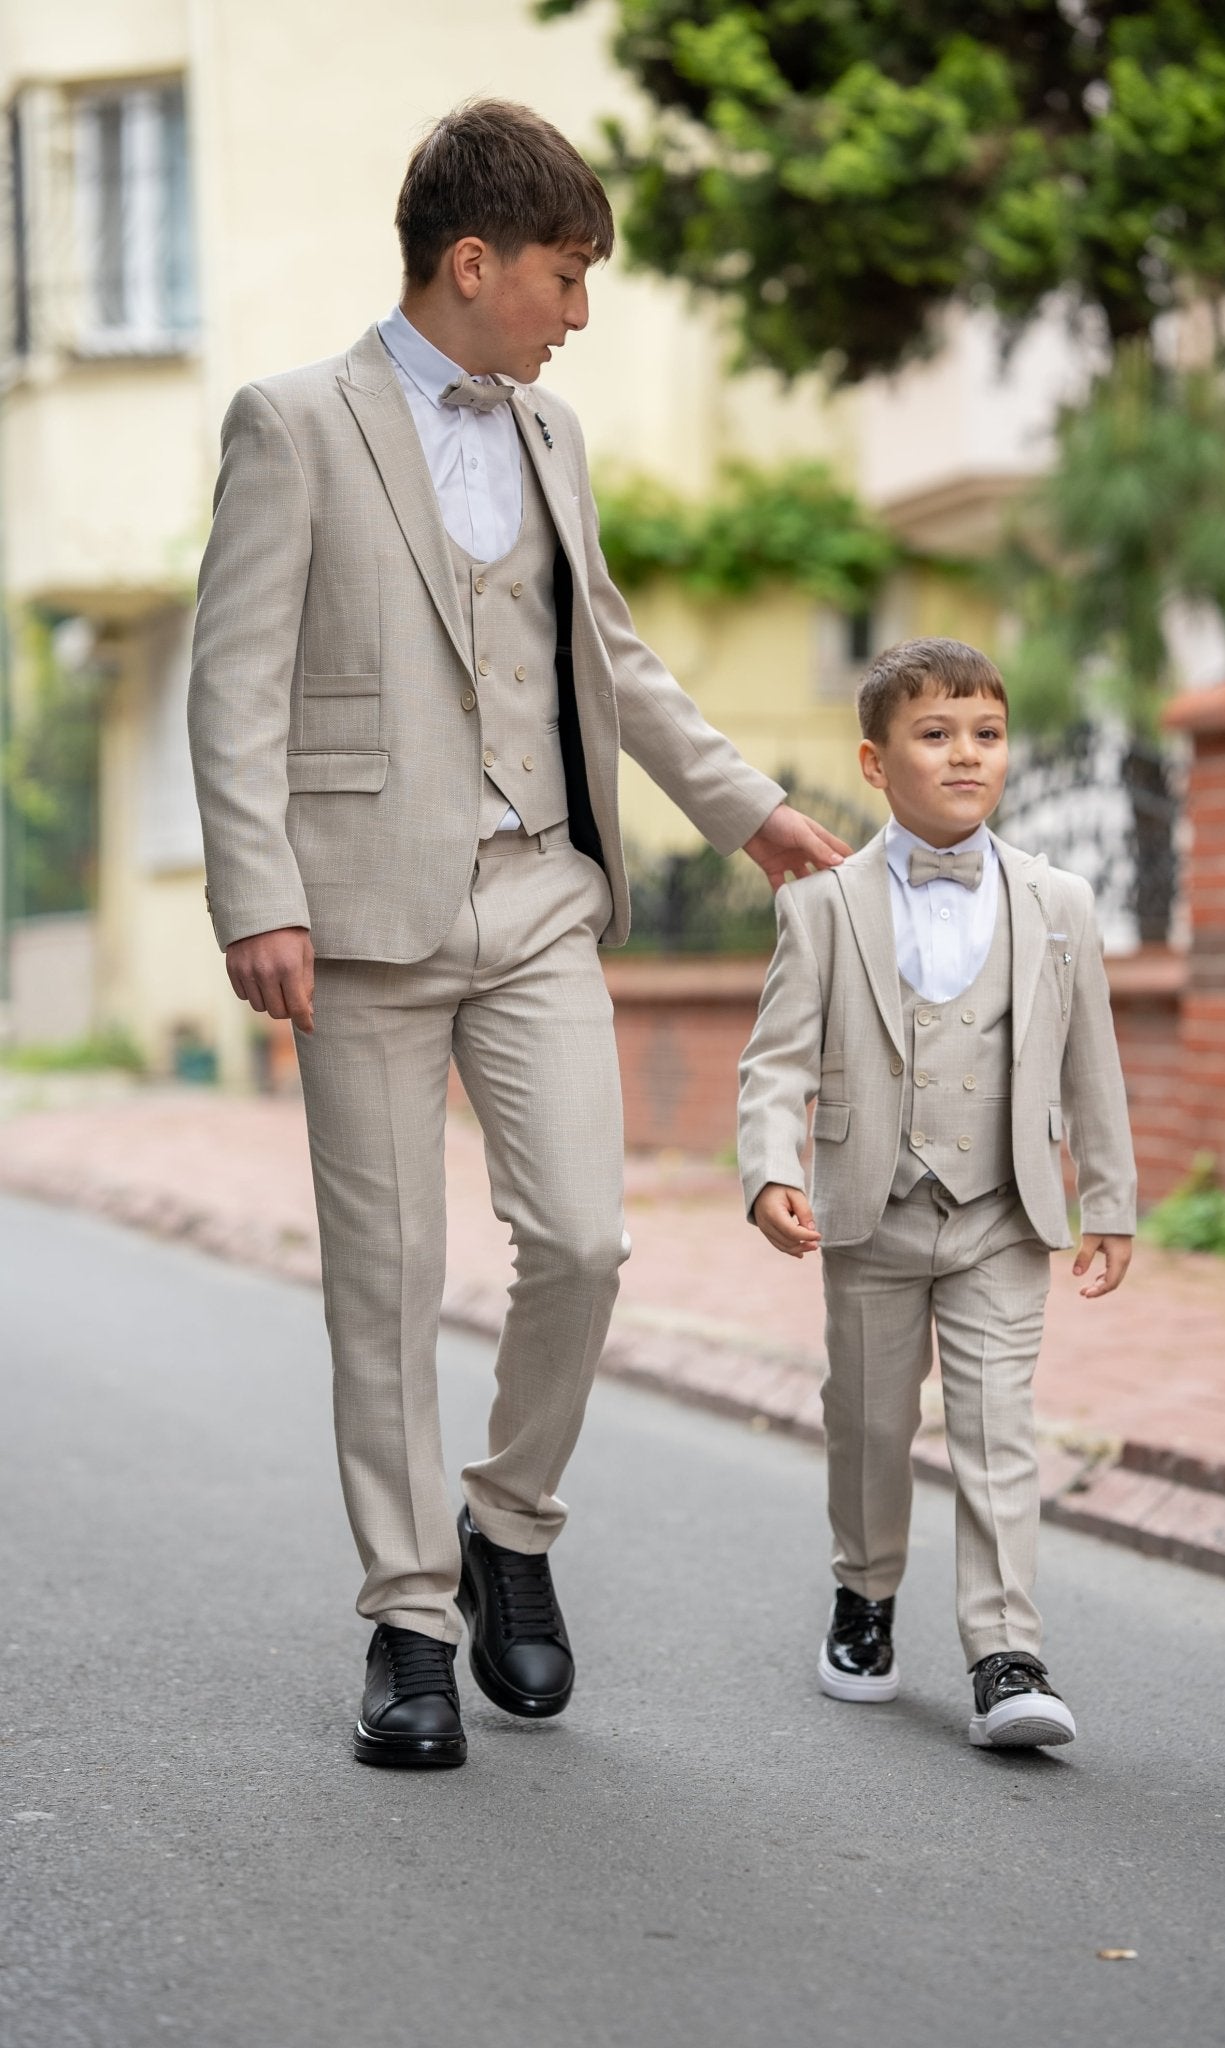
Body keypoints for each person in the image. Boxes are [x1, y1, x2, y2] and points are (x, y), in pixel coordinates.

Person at [187, 99, 847, 1770]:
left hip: (540, 896)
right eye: (564, 275)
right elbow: (235, 678)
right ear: (471, 263)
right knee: (387, 1284)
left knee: (583, 1243)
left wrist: (747, 807)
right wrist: (255, 890)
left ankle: (512, 1525)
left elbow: (609, 660)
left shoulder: (550, 444)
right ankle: (410, 1619)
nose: (576, 311)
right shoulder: (293, 424)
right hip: (358, 921)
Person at [736, 637, 1136, 1749]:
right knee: (867, 1421)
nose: (967, 753)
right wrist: (771, 1167)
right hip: (871, 1206)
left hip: (1004, 1209)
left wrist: (1110, 1198)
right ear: (874, 762)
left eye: (987, 733)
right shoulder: (822, 905)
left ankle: (1007, 1651)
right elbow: (775, 1058)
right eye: (935, 733)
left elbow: (1090, 1062)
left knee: (998, 1428)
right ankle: (863, 1598)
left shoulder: (1061, 900)